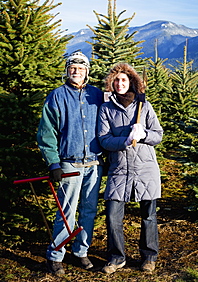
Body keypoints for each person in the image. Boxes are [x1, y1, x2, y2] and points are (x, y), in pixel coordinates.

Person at [37, 50, 103, 276]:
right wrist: (53, 163)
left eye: (81, 68)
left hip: (94, 164)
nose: (76, 71)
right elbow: (46, 133)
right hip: (69, 164)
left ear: (87, 72)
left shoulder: (96, 95)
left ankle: (81, 252)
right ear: (67, 71)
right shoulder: (57, 96)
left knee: (89, 211)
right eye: (72, 68)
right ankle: (55, 255)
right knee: (67, 212)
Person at [97, 63, 163, 274]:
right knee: (113, 215)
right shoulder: (106, 109)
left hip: (145, 169)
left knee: (149, 215)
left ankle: (149, 257)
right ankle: (117, 257)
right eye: (116, 80)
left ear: (132, 82)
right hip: (120, 169)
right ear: (111, 84)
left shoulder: (144, 106)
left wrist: (144, 134)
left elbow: (158, 135)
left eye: (124, 80)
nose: (120, 83)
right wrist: (124, 141)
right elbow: (104, 139)